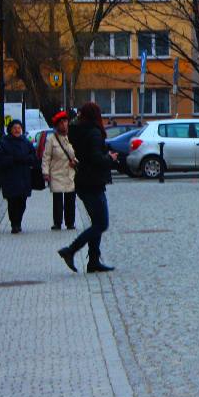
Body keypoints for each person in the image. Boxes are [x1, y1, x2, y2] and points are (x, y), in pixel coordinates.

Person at [57, 102, 117, 273]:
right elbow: (96, 158)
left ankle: (93, 261)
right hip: (93, 182)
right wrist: (110, 158)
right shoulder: (94, 133)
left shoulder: (76, 130)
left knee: (96, 222)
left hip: (83, 181)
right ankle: (70, 250)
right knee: (101, 224)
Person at [0, 119, 39, 234]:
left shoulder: (26, 142)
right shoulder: (4, 142)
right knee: (12, 201)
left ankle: (18, 221)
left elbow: (33, 156)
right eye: (15, 128)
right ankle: (14, 223)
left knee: (22, 202)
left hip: (24, 176)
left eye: (19, 128)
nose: (17, 130)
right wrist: (13, 159)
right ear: (10, 130)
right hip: (10, 177)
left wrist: (27, 160)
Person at [42, 111, 77, 231]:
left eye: (65, 121)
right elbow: (46, 157)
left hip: (69, 173)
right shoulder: (51, 140)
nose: (63, 124)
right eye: (61, 123)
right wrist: (45, 173)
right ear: (57, 125)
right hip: (56, 173)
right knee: (57, 200)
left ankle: (70, 222)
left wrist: (75, 162)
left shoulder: (72, 137)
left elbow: (78, 154)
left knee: (70, 199)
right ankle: (57, 222)